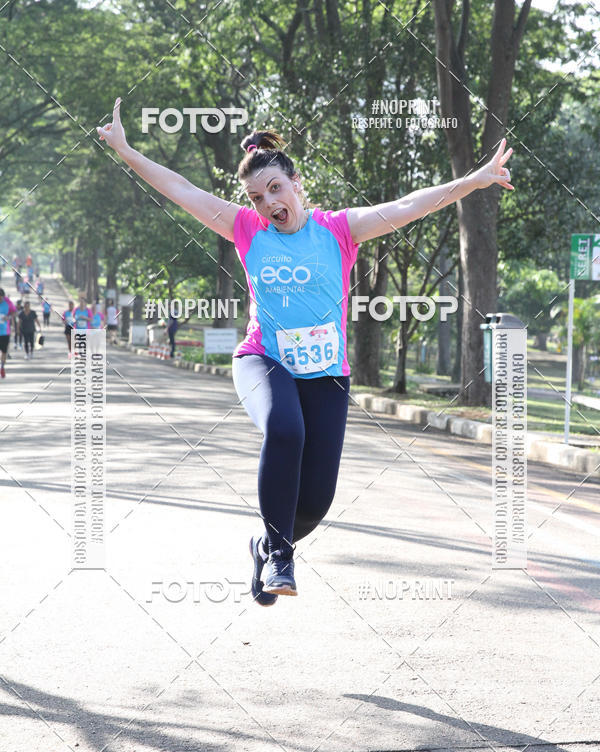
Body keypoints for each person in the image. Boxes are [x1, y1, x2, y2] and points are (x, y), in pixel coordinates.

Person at [97, 97, 514, 605]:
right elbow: (181, 189)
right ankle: (278, 555)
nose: (268, 202)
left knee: (316, 501)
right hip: (262, 359)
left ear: (297, 185)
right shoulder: (246, 229)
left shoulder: (339, 230)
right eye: (256, 195)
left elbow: (410, 205)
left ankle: (266, 544)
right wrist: (126, 151)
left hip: (325, 373)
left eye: (275, 188)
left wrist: (472, 180)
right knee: (285, 427)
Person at [0, 287, 16, 378]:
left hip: (5, 332)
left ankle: (2, 367)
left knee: (4, 352)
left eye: (1, 298)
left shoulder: (8, 303)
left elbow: (14, 312)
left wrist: (8, 317)